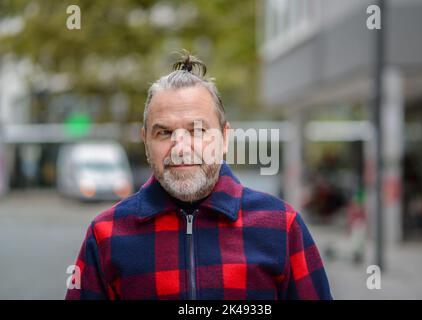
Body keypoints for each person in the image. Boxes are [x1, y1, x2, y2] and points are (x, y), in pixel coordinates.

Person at [65, 50, 332, 300]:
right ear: (146, 141)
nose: (181, 148)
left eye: (197, 131)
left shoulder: (281, 227)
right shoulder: (106, 235)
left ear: (225, 138)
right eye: (165, 133)